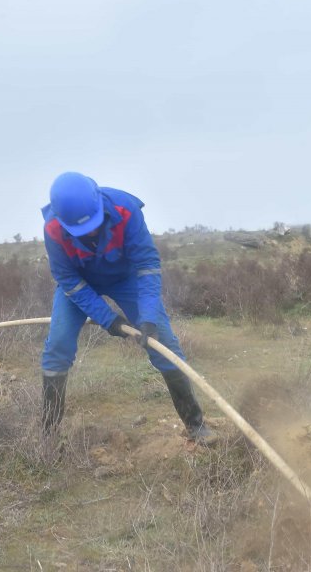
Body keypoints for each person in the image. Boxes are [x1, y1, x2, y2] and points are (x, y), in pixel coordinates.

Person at [40, 171, 213, 442]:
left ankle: (196, 426)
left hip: (125, 279)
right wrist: (107, 319)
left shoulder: (127, 209)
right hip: (81, 283)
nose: (92, 232)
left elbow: (146, 264)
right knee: (58, 346)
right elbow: (68, 280)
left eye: (94, 224)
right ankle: (48, 435)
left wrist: (148, 316)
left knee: (165, 344)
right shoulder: (53, 229)